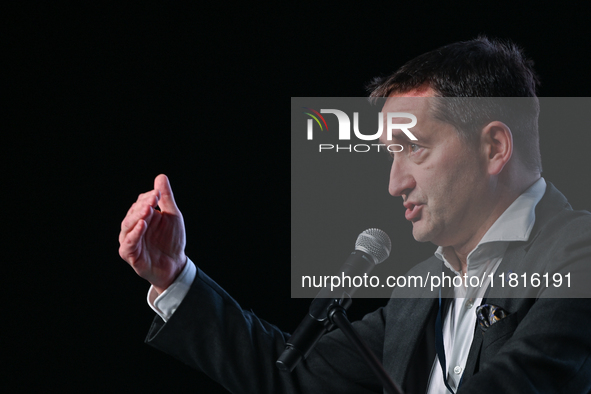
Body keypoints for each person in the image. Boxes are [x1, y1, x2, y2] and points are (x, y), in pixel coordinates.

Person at [119, 37, 591, 393]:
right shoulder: (420, 291)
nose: (394, 183)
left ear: (494, 147)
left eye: (413, 148)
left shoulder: (578, 252)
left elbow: (524, 381)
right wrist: (175, 276)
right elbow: (292, 374)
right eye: (390, 155)